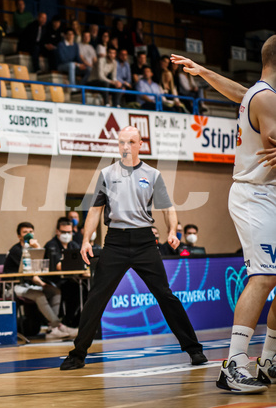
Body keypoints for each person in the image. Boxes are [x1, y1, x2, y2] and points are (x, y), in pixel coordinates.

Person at [59, 126, 206, 371]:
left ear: (140, 144)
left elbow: (168, 208)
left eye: (131, 142)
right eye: (121, 142)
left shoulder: (153, 174)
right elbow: (95, 210)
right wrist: (86, 240)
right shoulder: (106, 174)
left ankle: (194, 349)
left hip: (144, 242)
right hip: (115, 241)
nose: (125, 146)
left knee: (165, 295)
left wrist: (172, 231)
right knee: (96, 298)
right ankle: (78, 355)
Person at [173, 45, 276, 392]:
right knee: (263, 277)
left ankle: (271, 360)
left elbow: (240, 93)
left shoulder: (260, 93)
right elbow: (274, 147)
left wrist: (204, 73)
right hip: (256, 195)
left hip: (269, 195)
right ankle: (233, 365)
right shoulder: (266, 98)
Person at [3, 222, 73, 339]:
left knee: (55, 291)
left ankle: (52, 329)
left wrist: (37, 247)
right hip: (14, 286)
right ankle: (58, 325)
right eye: (25, 232)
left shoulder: (33, 248)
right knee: (39, 295)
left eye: (30, 232)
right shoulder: (16, 250)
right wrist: (40, 283)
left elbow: (40, 267)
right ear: (19, 236)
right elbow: (26, 271)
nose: (28, 235)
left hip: (30, 285)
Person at [44, 217, 84, 327]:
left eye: (69, 232)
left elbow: (82, 262)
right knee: (73, 289)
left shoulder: (73, 245)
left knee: (84, 289)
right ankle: (65, 321)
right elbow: (58, 266)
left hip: (71, 279)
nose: (66, 235)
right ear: (57, 231)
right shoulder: (51, 245)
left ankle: (75, 320)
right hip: (54, 281)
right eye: (63, 232)